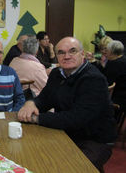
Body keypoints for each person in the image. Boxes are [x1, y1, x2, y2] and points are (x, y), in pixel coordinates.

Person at [18, 37, 117, 171]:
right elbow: (45, 99)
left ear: (82, 54)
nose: (67, 56)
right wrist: (31, 103)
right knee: (33, 154)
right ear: (56, 56)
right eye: (61, 52)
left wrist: (37, 118)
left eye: (72, 51)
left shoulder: (94, 79)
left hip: (94, 139)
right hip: (67, 132)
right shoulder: (56, 74)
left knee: (67, 168)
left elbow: (76, 118)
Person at [103, 40, 126, 112]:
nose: (105, 52)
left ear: (111, 51)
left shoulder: (114, 64)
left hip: (118, 100)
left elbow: (107, 83)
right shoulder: (123, 59)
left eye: (107, 50)